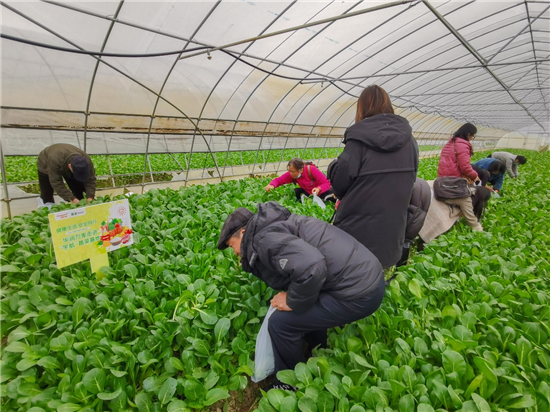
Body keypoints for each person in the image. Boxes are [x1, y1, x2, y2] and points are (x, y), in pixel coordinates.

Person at [217, 202, 385, 389]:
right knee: (306, 298)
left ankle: (290, 382)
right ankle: (316, 348)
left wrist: (292, 300)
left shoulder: (263, 240)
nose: (236, 253)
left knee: (280, 323)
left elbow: (312, 267)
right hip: (367, 278)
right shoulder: (272, 227)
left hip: (359, 293)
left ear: (242, 232)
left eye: (233, 246)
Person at [329, 85, 418, 268]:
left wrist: (332, 167)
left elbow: (339, 185)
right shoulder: (411, 143)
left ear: (361, 108)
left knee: (353, 281)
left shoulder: (357, 142)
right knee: (376, 279)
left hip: (357, 233)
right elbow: (410, 181)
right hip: (391, 232)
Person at [437, 123, 482, 231]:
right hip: (453, 181)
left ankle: (451, 220)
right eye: (472, 136)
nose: (472, 138)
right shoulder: (462, 145)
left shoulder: (451, 142)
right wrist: (475, 176)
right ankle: (476, 227)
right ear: (468, 134)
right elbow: (465, 167)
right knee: (466, 200)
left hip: (442, 180)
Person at [419, 182, 491, 245]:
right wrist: (480, 230)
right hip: (430, 195)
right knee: (441, 221)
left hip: (429, 187)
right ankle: (422, 238)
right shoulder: (467, 198)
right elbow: (470, 218)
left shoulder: (467, 187)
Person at [395, 178, 431, 269]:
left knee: (406, 238)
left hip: (417, 198)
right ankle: (399, 270)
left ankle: (399, 270)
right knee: (407, 237)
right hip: (422, 191)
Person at [265, 158, 336, 203]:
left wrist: (318, 189)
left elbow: (326, 183)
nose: (291, 173)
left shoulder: (311, 170)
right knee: (297, 192)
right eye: (289, 171)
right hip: (310, 193)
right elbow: (279, 180)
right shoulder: (292, 175)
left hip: (322, 192)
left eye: (293, 171)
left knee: (333, 198)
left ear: (301, 170)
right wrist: (272, 185)